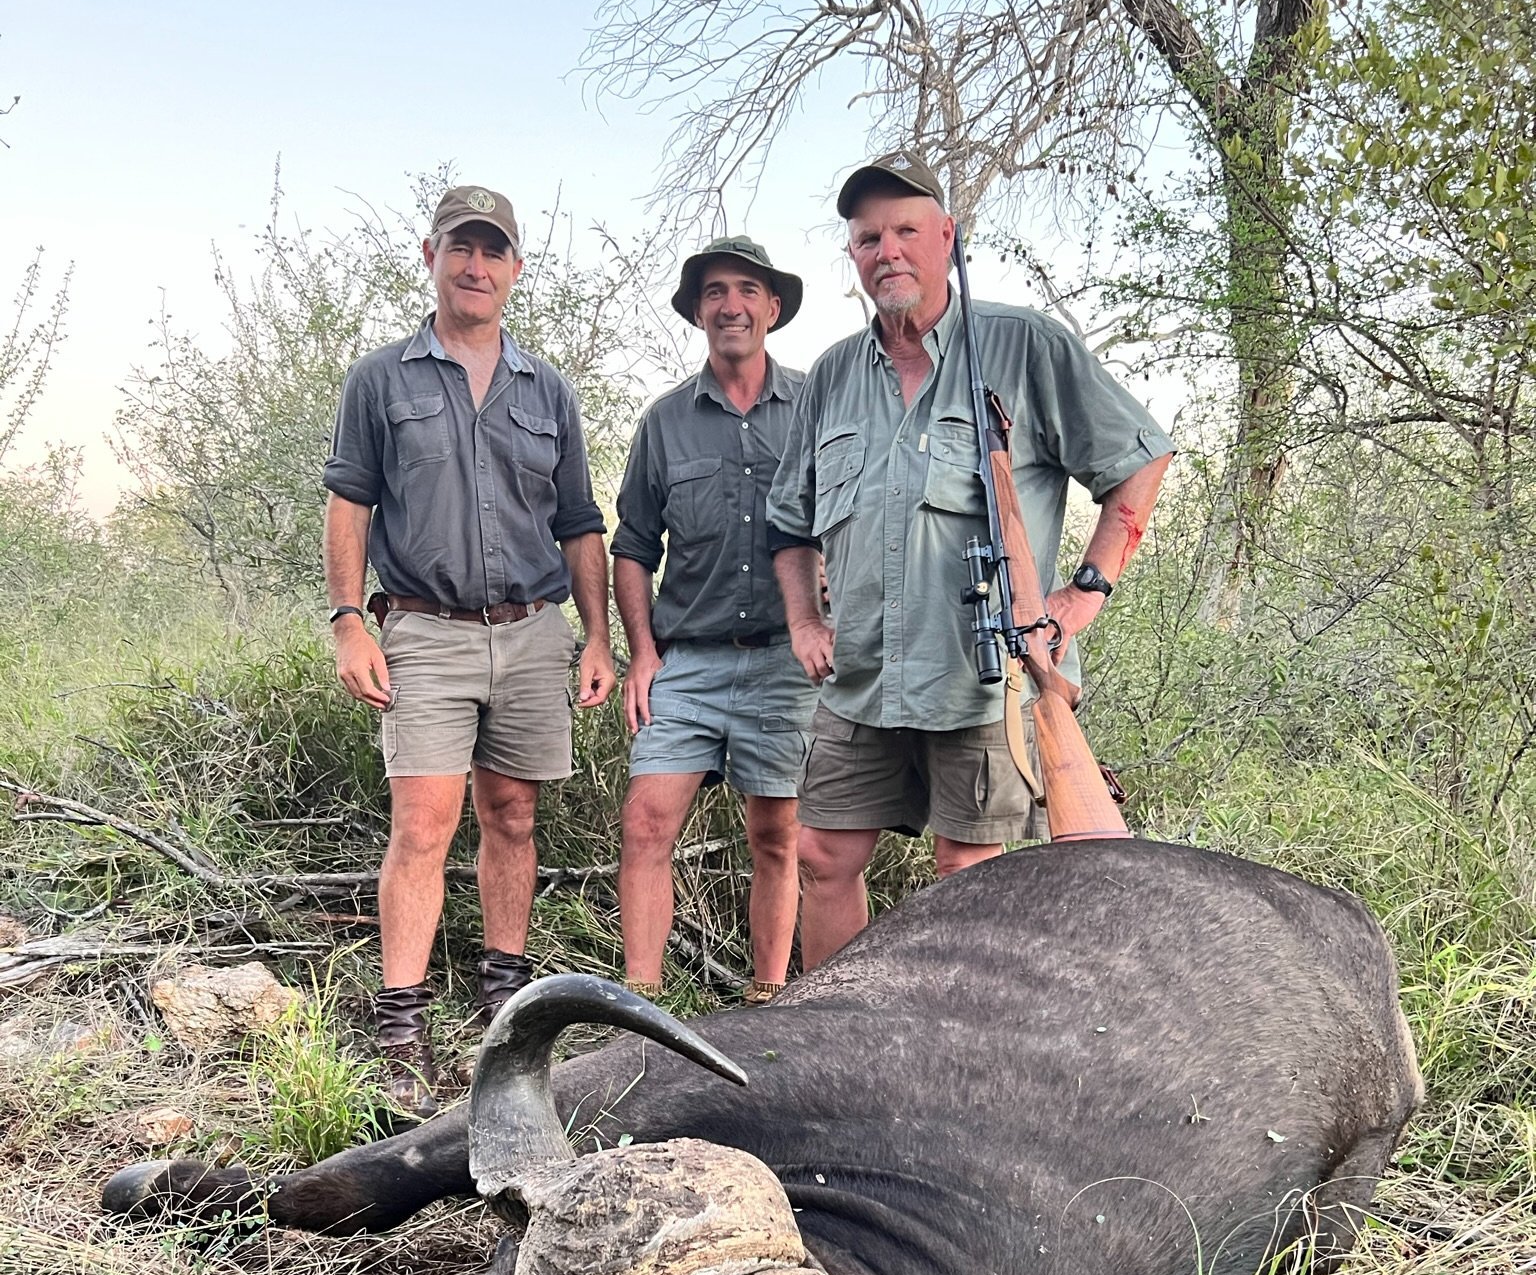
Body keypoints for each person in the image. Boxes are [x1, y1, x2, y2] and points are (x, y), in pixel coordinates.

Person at [768, 152, 1176, 968]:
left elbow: (1141, 459)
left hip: (983, 678)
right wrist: (806, 621)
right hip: (861, 678)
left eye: (906, 231)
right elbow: (789, 522)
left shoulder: (1022, 346)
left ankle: (945, 1061)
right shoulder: (834, 375)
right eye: (868, 237)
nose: (887, 251)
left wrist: (1084, 592)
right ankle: (841, 1046)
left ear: (946, 238)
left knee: (965, 871)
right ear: (852, 254)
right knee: (821, 857)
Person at [323, 184, 616, 1113]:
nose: (475, 266)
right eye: (461, 248)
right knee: (422, 827)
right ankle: (401, 1022)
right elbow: (349, 503)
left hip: (533, 634)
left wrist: (598, 636)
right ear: (431, 255)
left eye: (493, 251)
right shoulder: (382, 380)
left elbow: (578, 524)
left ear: (515, 269)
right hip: (423, 631)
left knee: (515, 818)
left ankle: (505, 995)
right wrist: (346, 619)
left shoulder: (547, 390)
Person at [612, 236, 815, 1002]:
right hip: (687, 661)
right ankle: (643, 1004)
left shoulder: (812, 409)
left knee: (778, 836)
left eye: (746, 290)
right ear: (699, 311)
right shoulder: (665, 422)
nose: (731, 305)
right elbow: (632, 545)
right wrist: (639, 653)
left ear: (771, 306)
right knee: (646, 823)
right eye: (715, 292)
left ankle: (768, 1002)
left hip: (784, 660)